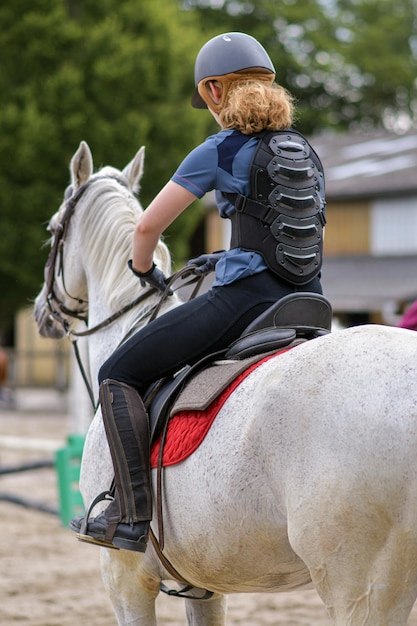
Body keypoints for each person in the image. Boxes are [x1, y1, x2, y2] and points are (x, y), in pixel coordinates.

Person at [70, 32, 326, 552]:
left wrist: (142, 268)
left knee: (117, 370)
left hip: (248, 303)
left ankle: (131, 516)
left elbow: (145, 229)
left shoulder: (219, 148)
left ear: (213, 91)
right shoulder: (305, 148)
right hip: (311, 304)